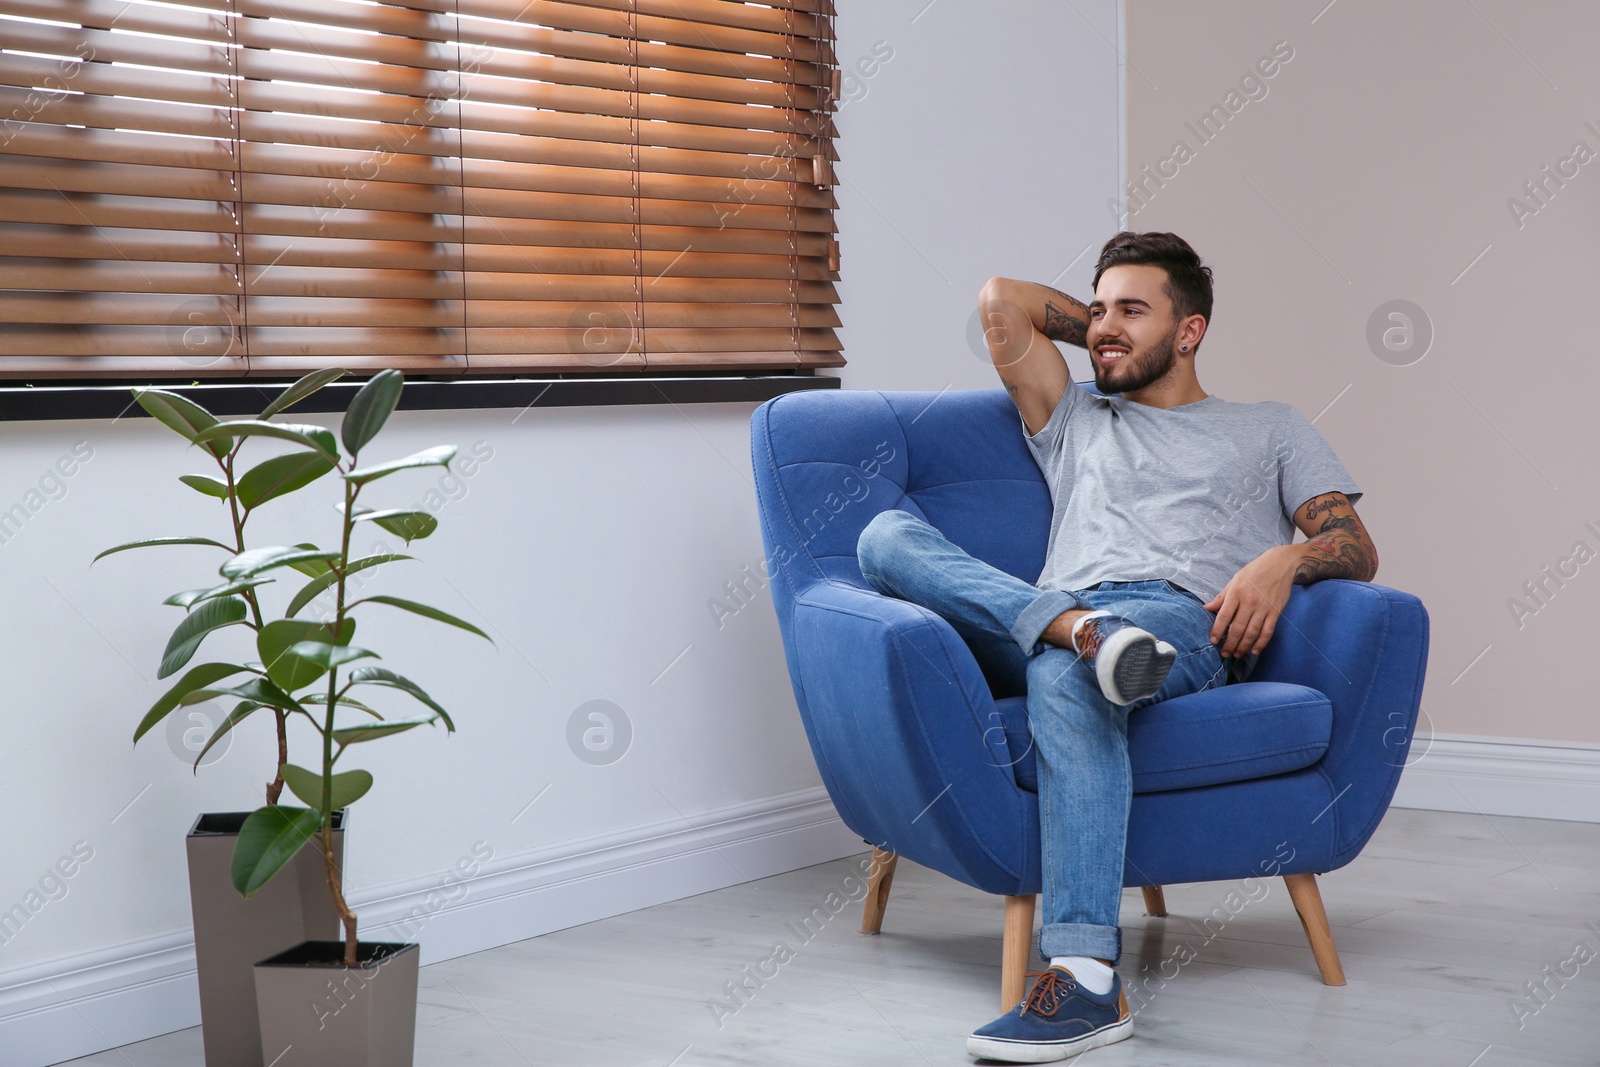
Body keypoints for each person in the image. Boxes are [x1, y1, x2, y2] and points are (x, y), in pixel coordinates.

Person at [854, 231, 1378, 1062]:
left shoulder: (1269, 428)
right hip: (1056, 614)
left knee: (1064, 677)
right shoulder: (1075, 417)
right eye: (1097, 311)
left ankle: (1086, 977)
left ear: (1192, 329)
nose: (1104, 327)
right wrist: (1108, 329)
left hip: (1175, 623)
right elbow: (1002, 300)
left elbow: (1356, 545)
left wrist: (1285, 558)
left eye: (1133, 311)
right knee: (884, 536)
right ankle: (1079, 633)